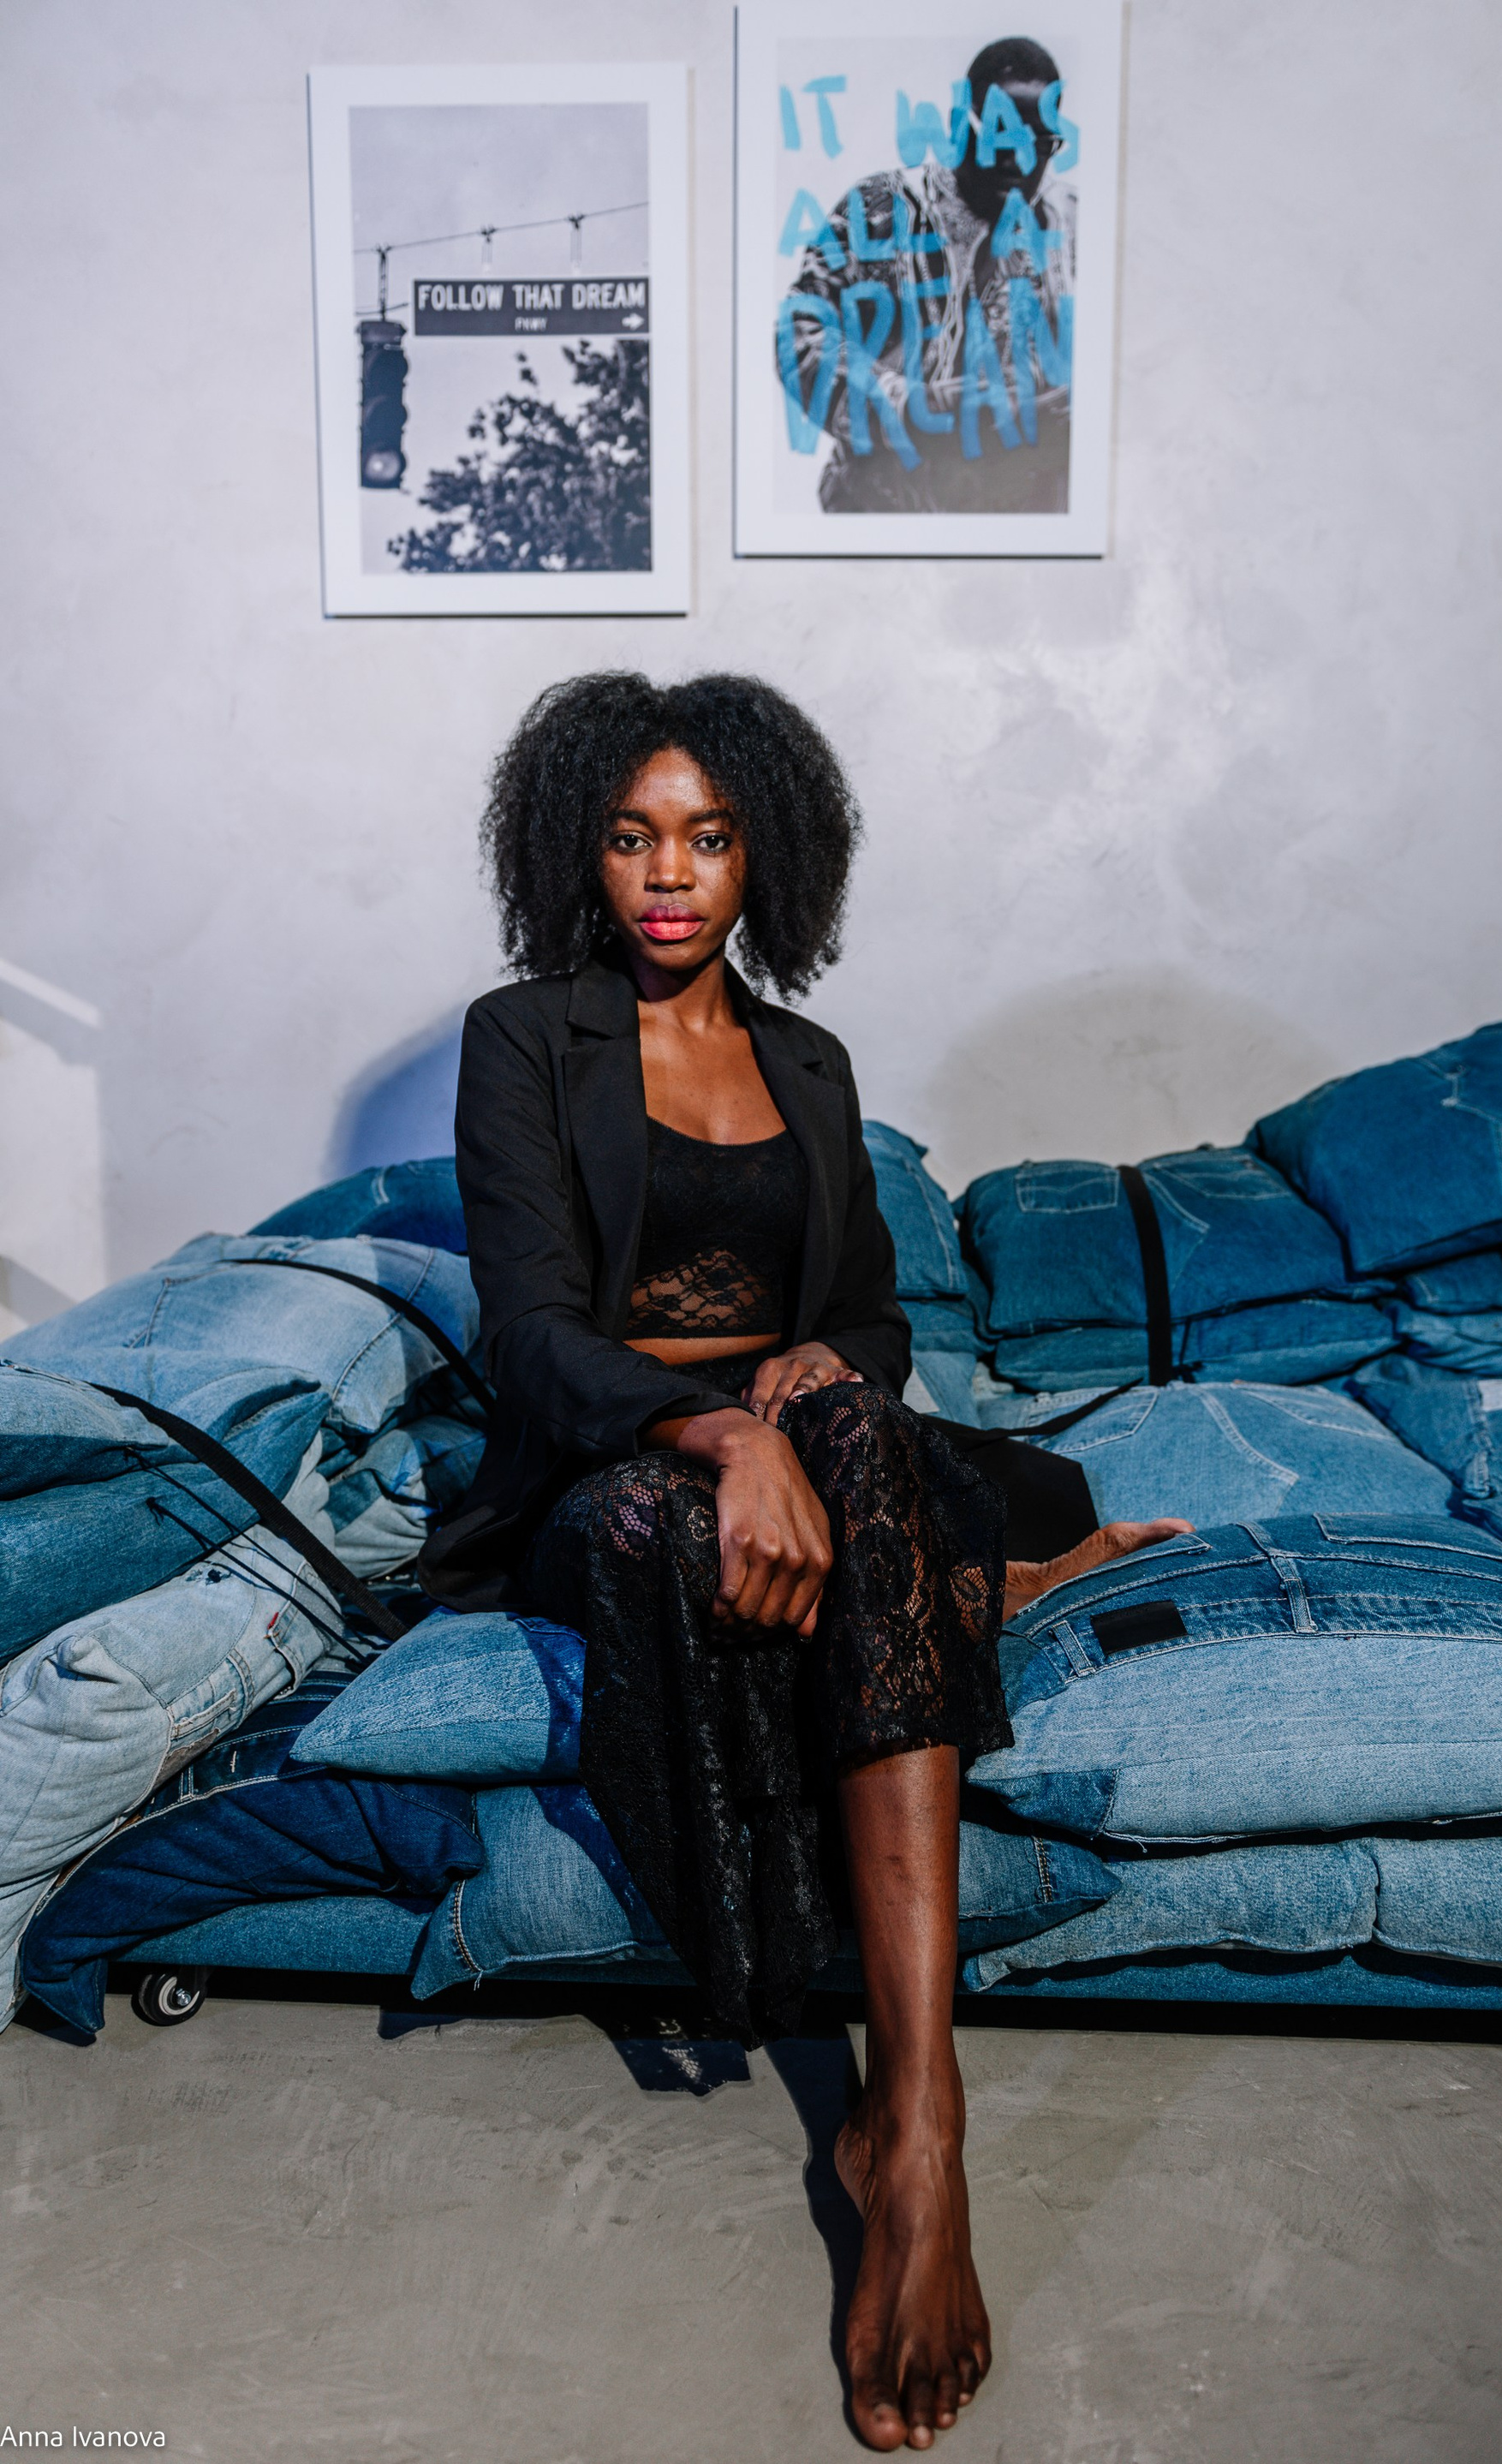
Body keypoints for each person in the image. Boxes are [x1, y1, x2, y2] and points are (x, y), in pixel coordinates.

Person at [420, 671, 1189, 2450]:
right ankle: (970, 1594)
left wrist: (819, 1379)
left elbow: (871, 1322)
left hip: (805, 1454)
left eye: (707, 838)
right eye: (632, 837)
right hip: (615, 1468)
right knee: (779, 1503)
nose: (667, 875)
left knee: (902, 1439)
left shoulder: (813, 1064)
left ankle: (915, 2119)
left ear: (767, 854)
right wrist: (723, 1429)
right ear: (576, 851)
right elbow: (530, 1337)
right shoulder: (526, 1037)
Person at [777, 36, 1076, 516]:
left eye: (1039, 143)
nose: (1019, 160)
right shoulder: (879, 212)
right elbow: (800, 334)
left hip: (1021, 527)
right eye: (1001, 135)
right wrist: (909, 406)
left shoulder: (1073, 230)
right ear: (959, 127)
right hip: (879, 518)